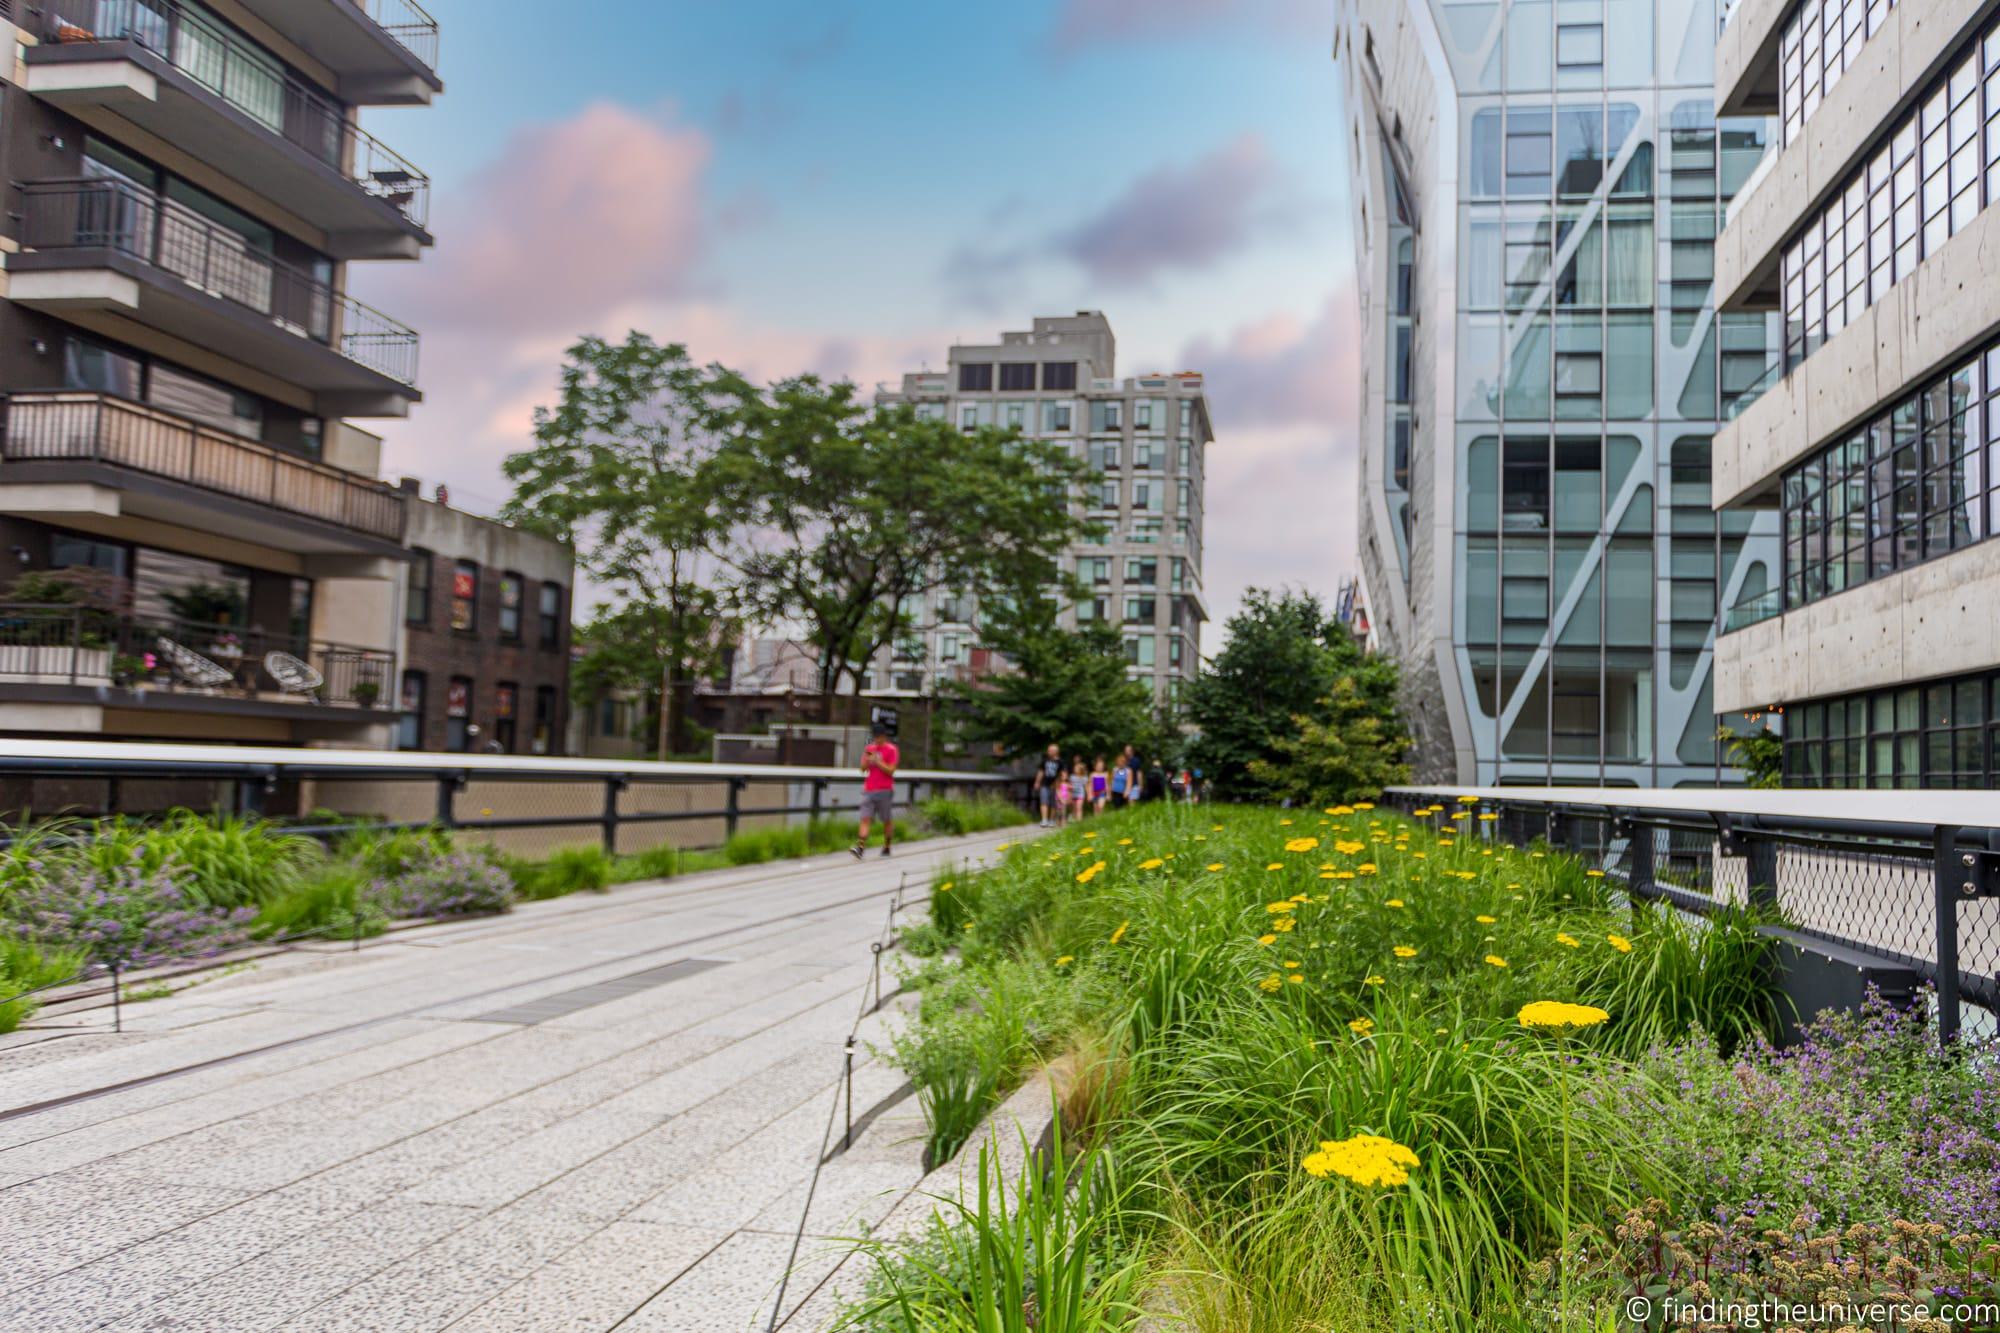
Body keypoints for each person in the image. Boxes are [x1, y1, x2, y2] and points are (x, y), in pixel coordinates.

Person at [851, 724, 899, 858]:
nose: (876, 740)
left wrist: (878, 761)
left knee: (886, 820)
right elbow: (862, 769)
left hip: (885, 790)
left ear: (884, 736)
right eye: (875, 737)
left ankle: (887, 846)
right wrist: (867, 761)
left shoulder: (891, 749)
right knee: (865, 818)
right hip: (869, 789)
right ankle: (860, 847)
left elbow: (891, 770)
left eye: (879, 737)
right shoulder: (869, 749)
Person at [1031, 742, 1063, 827]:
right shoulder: (1045, 760)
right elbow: (1041, 772)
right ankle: (1044, 819)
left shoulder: (1060, 762)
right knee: (1044, 801)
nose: (1049, 752)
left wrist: (1058, 786)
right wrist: (1037, 782)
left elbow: (1061, 775)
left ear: (1056, 751)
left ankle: (1051, 820)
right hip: (1044, 784)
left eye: (1051, 750)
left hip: (1055, 786)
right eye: (1048, 750)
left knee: (1053, 803)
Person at [1069, 757, 1089, 823]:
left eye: (1077, 769)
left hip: (1080, 794)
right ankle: (1074, 820)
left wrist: (1088, 795)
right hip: (1073, 794)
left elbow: (1086, 787)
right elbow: (1069, 785)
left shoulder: (1084, 777)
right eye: (1074, 768)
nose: (1075, 769)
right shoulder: (1072, 777)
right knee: (1074, 808)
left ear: (1081, 770)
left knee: (1079, 808)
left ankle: (1079, 821)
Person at [1055, 763, 1074, 828]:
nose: (1064, 777)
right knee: (1058, 812)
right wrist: (1061, 799)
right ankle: (1058, 822)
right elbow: (1057, 792)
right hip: (1059, 799)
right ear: (1060, 776)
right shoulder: (1059, 783)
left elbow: (1071, 790)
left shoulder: (1068, 783)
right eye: (1063, 776)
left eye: (1066, 776)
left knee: (1064, 811)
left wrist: (1070, 798)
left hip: (1066, 799)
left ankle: (1063, 823)